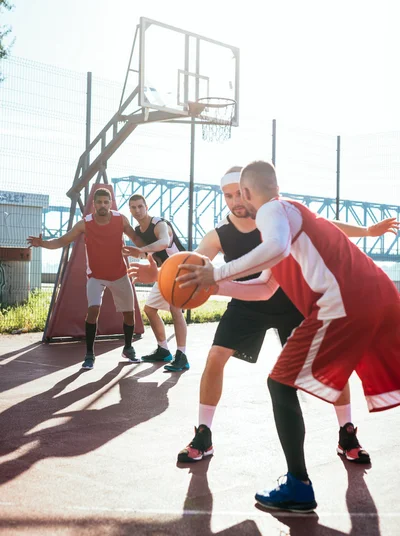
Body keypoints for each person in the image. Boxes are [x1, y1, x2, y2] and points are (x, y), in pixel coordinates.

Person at [129, 167, 398, 467]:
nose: (234, 201)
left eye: (237, 193)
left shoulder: (275, 213)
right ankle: (204, 433)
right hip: (249, 299)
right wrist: (161, 275)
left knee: (331, 364)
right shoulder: (220, 235)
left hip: (291, 300)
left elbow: (324, 224)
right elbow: (191, 267)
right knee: (215, 357)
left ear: (248, 191)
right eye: (227, 196)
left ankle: (346, 433)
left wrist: (367, 232)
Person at [27, 188, 142, 370]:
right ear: (94, 204)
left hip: (120, 274)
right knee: (93, 310)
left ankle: (128, 348)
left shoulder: (121, 219)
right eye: (99, 202)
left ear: (110, 203)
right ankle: (89, 355)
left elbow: (136, 238)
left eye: (106, 202)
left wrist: (153, 247)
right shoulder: (85, 224)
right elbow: (62, 241)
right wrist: (43, 244)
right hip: (95, 276)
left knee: (129, 313)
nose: (103, 205)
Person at [123, 194, 189, 372]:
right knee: (150, 309)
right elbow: (147, 254)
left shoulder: (159, 223)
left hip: (180, 268)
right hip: (163, 272)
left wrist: (141, 250)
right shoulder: (138, 230)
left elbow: (164, 242)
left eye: (140, 206)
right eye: (133, 207)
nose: (137, 210)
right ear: (130, 210)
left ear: (146, 206)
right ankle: (163, 350)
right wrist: (134, 253)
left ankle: (182, 356)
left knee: (176, 310)